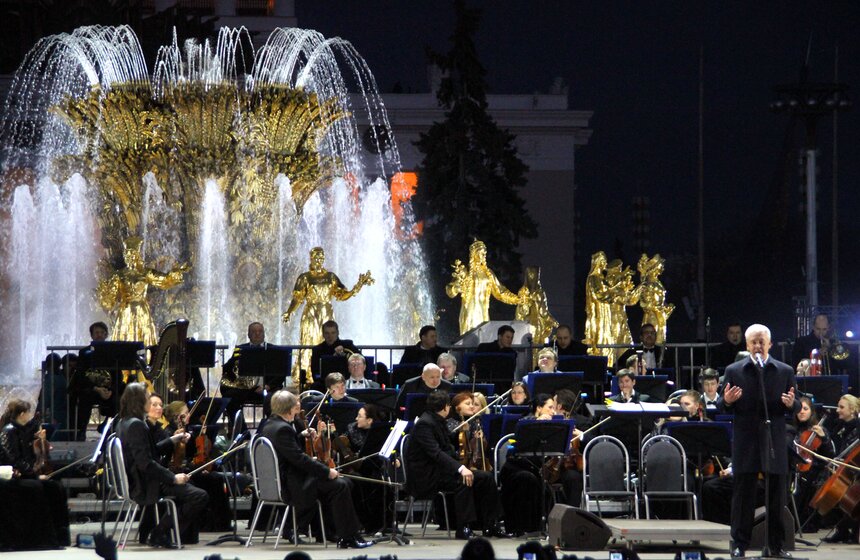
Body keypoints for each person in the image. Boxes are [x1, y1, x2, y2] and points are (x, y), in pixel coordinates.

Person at [718, 323, 798, 558]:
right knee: (743, 495)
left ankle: (776, 545)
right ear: (747, 344)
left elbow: (798, 405)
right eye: (753, 342)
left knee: (776, 495)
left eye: (762, 341)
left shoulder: (784, 371)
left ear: (770, 344)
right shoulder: (734, 370)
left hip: (773, 439)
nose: (758, 346)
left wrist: (790, 404)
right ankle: (739, 545)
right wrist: (728, 401)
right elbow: (721, 405)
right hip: (746, 439)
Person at [260, 390, 373, 549]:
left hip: (285, 480)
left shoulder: (271, 425)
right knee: (340, 485)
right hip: (293, 486)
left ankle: (333, 532)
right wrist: (326, 471)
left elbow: (288, 451)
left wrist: (300, 436)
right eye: (296, 405)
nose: (298, 407)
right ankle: (347, 536)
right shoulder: (283, 429)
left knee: (344, 482)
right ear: (289, 409)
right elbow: (299, 459)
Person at [115, 382, 208, 547]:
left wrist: (173, 439)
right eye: (147, 398)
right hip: (144, 483)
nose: (149, 401)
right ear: (139, 401)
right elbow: (146, 463)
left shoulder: (124, 422)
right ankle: (159, 533)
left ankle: (161, 533)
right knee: (199, 496)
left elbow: (150, 451)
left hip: (138, 479)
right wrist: (173, 478)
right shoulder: (137, 425)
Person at [404, 390, 506, 539]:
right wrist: (461, 468)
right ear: (445, 407)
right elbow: (436, 453)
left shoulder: (437, 421)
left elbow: (446, 446)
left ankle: (490, 525)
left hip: (439, 472)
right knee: (462, 480)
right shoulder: (425, 424)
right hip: (425, 477)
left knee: (486, 477)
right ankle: (463, 527)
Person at [282, 246, 373, 386]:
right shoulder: (305, 277)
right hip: (311, 313)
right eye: (315, 258)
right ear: (311, 259)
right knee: (309, 342)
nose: (318, 260)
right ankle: (306, 375)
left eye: (321, 258)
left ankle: (330, 375)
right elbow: (298, 298)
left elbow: (342, 295)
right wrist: (289, 311)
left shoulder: (330, 277)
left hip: (326, 310)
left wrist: (357, 287)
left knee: (330, 340)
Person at [0, 399, 70, 548]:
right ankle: (41, 539)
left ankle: (60, 536)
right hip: (12, 476)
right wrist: (35, 475)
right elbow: (14, 459)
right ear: (22, 414)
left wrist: (41, 441)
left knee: (55, 488)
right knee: (36, 487)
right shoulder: (9, 431)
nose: (31, 416)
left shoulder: (27, 431)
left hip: (26, 473)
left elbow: (35, 457)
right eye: (29, 413)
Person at [499, 394, 559, 536]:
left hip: (533, 471)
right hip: (515, 469)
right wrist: (537, 422)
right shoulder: (525, 422)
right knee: (528, 479)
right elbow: (515, 452)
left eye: (554, 408)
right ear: (539, 408)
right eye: (550, 408)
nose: (553, 412)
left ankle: (538, 527)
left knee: (540, 483)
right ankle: (521, 527)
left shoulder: (551, 427)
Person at [446, 239, 520, 335]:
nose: (483, 255)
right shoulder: (465, 272)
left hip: (483, 313)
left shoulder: (488, 273)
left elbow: (500, 292)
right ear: (474, 254)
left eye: (484, 253)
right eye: (481, 253)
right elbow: (449, 289)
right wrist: (455, 288)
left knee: (484, 338)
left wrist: (517, 300)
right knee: (469, 338)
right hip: (469, 313)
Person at [220, 322, 281, 422]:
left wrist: (268, 386)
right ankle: (241, 431)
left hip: (267, 389)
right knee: (229, 397)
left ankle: (269, 428)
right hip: (245, 389)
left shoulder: (272, 349)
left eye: (260, 331)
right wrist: (233, 360)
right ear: (248, 335)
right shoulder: (240, 348)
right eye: (253, 332)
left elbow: (280, 373)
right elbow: (227, 368)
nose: (257, 334)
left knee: (273, 400)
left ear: (264, 334)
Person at [819, 394, 860, 543]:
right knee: (830, 491)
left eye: (841, 407)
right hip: (845, 469)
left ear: (853, 409)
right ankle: (842, 530)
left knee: (849, 495)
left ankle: (853, 531)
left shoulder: (858, 427)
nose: (837, 410)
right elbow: (835, 451)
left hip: (855, 471)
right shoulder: (839, 427)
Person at [69, 321, 118, 441]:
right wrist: (96, 388)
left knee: (119, 397)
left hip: (108, 389)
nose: (99, 335)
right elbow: (81, 375)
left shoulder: (113, 352)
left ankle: (111, 429)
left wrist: (110, 390)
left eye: (102, 333)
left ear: (106, 335)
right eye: (96, 333)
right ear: (92, 336)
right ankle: (81, 432)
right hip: (91, 389)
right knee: (84, 398)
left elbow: (117, 374)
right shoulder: (84, 352)